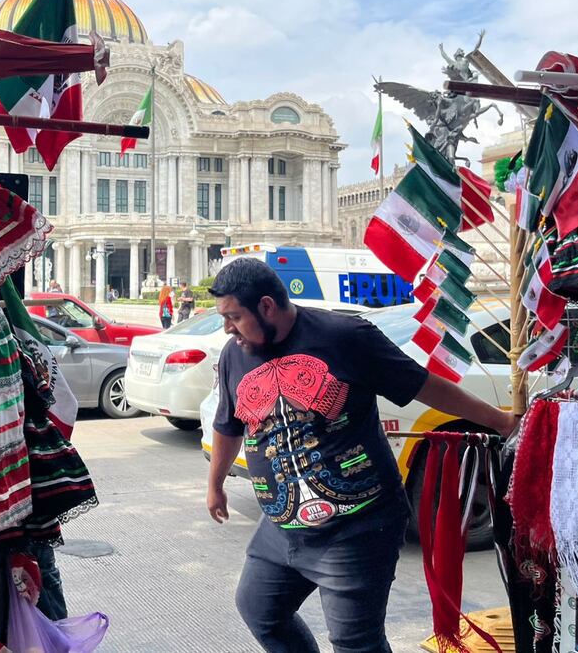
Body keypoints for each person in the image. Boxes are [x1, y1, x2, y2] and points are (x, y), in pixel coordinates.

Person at [206, 258, 517, 653]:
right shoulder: (236, 354)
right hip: (283, 527)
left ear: (266, 306)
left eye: (234, 317)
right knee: (259, 608)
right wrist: (215, 484)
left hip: (356, 529)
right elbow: (228, 426)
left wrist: (501, 422)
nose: (228, 328)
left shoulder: (345, 335)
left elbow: (421, 385)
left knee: (356, 644)